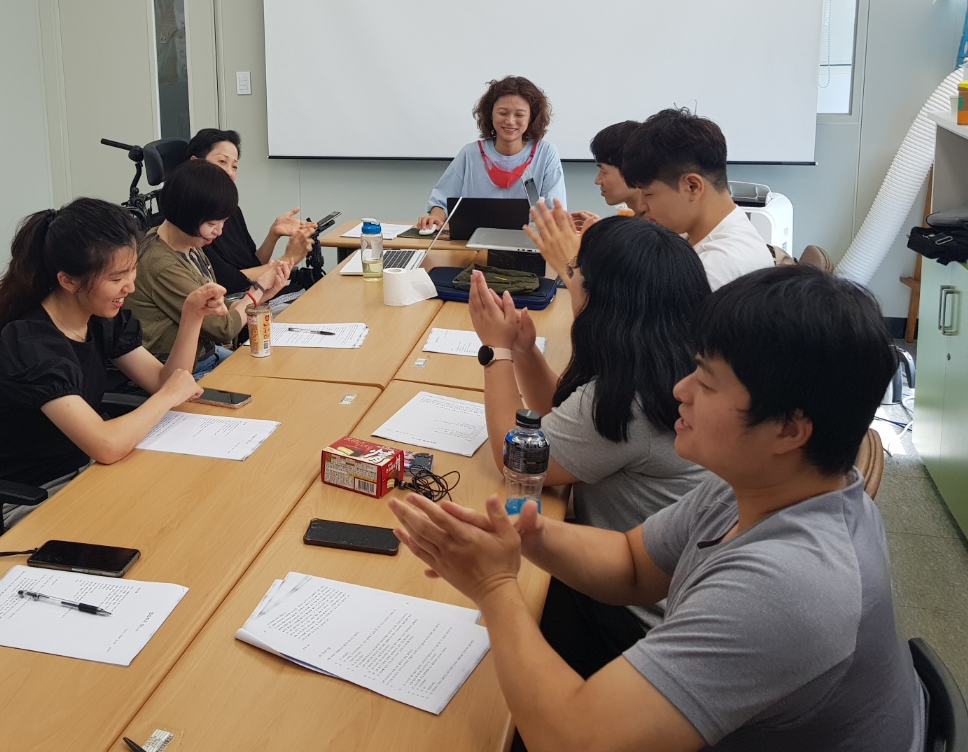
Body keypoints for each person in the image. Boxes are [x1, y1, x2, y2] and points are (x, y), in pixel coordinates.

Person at [390, 267, 923, 752]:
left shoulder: (789, 586)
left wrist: (494, 587)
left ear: (788, 429)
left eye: (706, 382)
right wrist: (524, 536)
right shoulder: (770, 482)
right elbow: (633, 564)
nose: (680, 390)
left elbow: (573, 740)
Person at [467, 216, 710, 670]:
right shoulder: (665, 359)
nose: (569, 278)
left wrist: (495, 352)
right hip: (648, 589)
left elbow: (517, 456)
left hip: (632, 622)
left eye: (575, 272)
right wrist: (523, 350)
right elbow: (565, 421)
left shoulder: (631, 396)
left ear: (602, 299)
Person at [0, 197, 220, 494]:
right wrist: (167, 396)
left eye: (132, 270)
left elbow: (164, 381)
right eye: (116, 277)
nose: (130, 286)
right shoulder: (32, 345)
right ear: (68, 281)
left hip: (86, 470)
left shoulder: (99, 318)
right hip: (33, 496)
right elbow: (107, 445)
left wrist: (192, 316)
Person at [127, 160, 291, 373]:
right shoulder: (161, 265)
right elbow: (223, 329)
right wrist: (257, 289)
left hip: (207, 355)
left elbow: (219, 307)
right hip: (184, 370)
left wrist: (263, 294)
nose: (219, 231)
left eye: (223, 222)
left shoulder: (186, 243)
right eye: (212, 224)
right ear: (186, 215)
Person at [619, 108, 772, 289]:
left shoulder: (718, 267)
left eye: (648, 194)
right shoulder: (690, 235)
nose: (642, 206)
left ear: (692, 186)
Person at [417, 76, 567, 232]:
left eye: (519, 115)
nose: (510, 121)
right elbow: (441, 199)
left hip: (530, 241)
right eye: (503, 113)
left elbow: (556, 212)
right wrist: (435, 217)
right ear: (490, 114)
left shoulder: (546, 153)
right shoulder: (470, 154)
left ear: (532, 117)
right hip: (471, 241)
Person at [187, 127, 315, 294]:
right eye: (222, 162)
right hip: (236, 302)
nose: (229, 172)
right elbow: (227, 283)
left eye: (235, 166)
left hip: (254, 295)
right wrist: (288, 259)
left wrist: (273, 235)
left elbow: (253, 265)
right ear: (196, 163)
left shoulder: (232, 211)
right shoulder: (191, 218)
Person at [568, 120, 645, 231]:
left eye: (603, 171)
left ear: (632, 170)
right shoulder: (642, 224)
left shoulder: (654, 228)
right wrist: (602, 230)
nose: (597, 181)